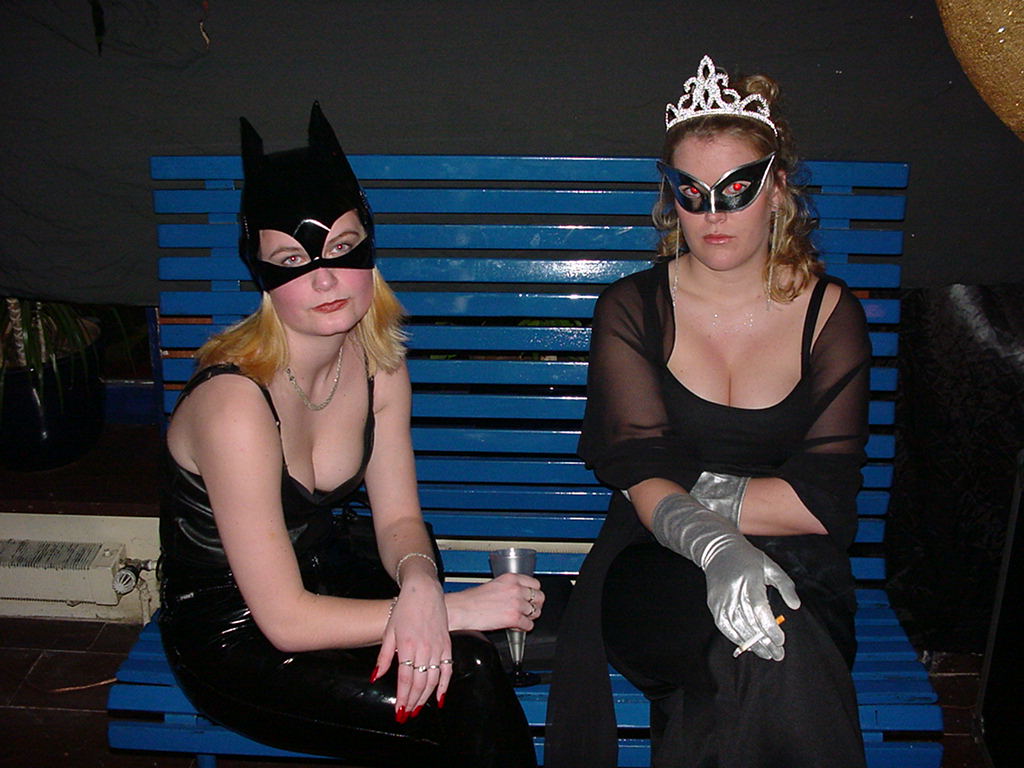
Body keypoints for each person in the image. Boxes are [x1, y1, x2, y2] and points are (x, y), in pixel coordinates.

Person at [158, 102, 543, 768]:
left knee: (464, 661)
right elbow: (284, 620)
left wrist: (420, 584)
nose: (326, 277)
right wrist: (456, 610)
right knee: (467, 683)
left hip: (329, 578)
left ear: (370, 245)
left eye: (341, 247)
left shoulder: (378, 365)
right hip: (236, 634)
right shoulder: (235, 406)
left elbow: (398, 521)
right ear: (261, 274)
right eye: (292, 259)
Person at [546, 56, 870, 768]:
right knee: (769, 650)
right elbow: (635, 463)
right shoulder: (632, 308)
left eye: (737, 189)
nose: (714, 215)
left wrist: (676, 490)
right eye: (693, 193)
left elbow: (822, 504)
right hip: (652, 561)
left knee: (761, 648)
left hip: (800, 566)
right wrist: (714, 543)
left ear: (777, 191)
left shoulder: (829, 316)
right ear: (672, 198)